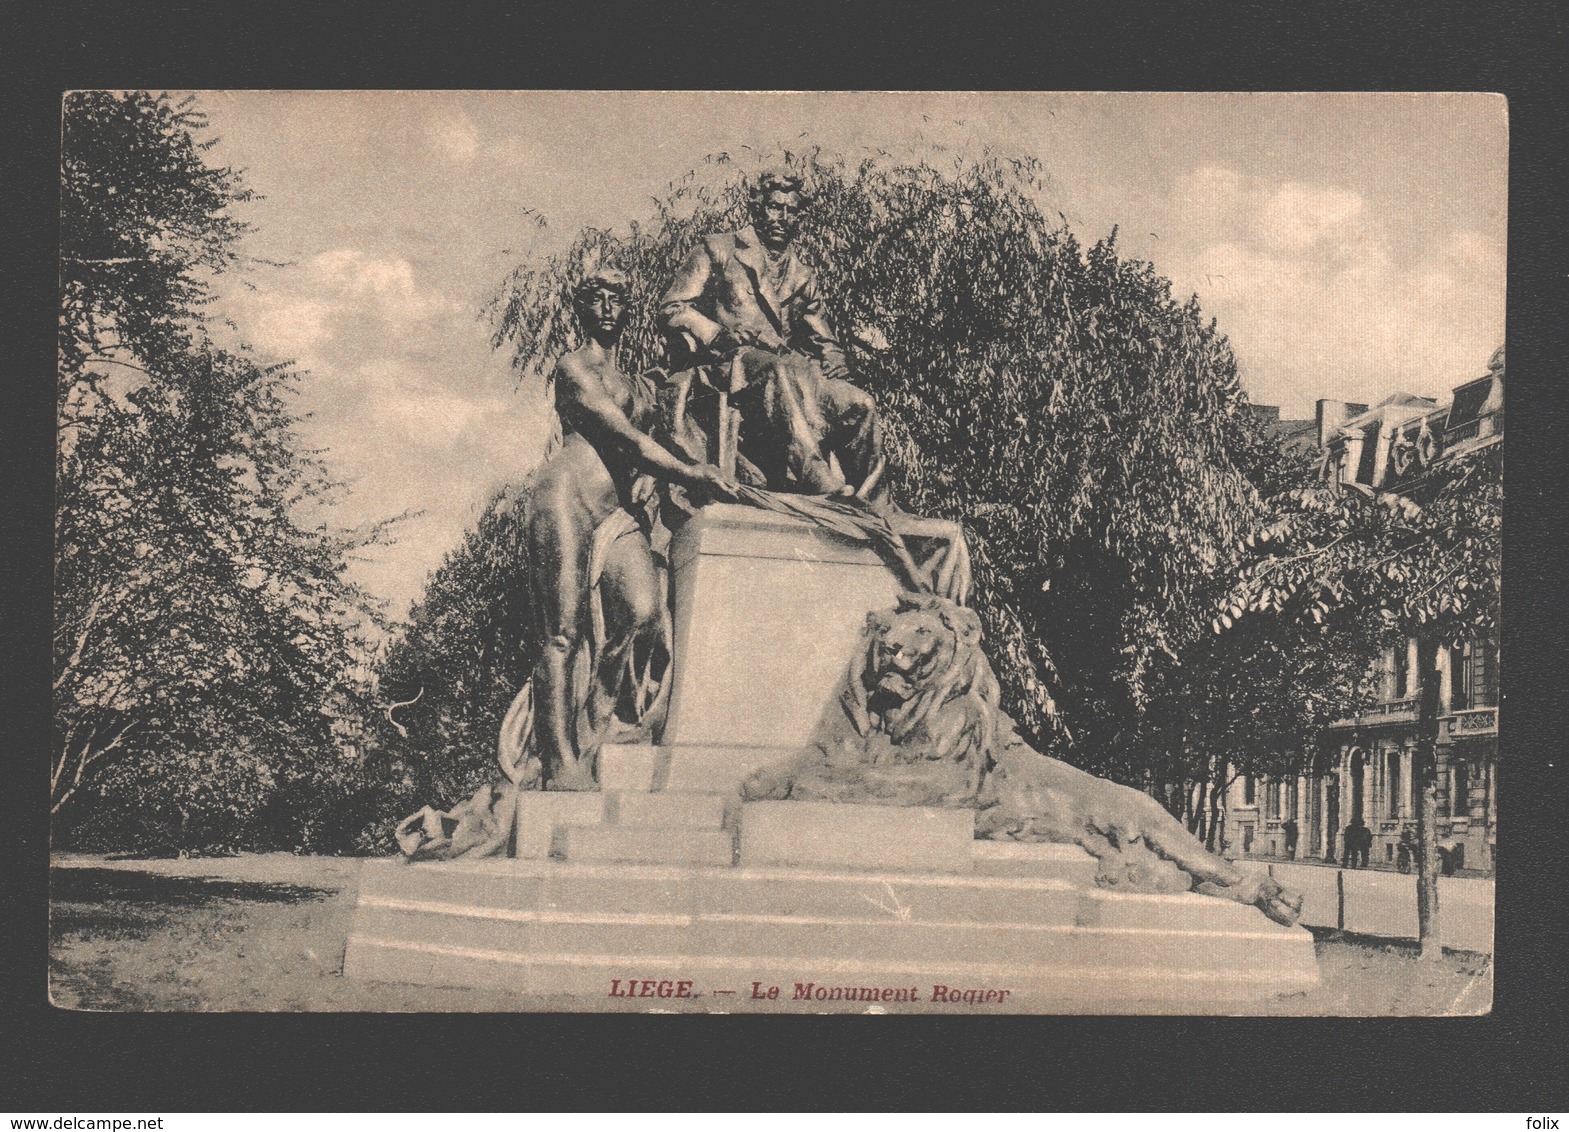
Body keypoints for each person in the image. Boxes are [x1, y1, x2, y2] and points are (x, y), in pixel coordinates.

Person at [524, 270, 737, 790]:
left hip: (616, 512)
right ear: (580, 310)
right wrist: (689, 474)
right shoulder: (572, 368)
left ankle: (594, 727)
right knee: (561, 634)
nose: (608, 307)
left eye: (617, 298)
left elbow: (677, 407)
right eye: (595, 298)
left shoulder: (639, 383)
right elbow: (625, 440)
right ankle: (559, 763)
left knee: (644, 613)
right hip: (566, 499)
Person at [658, 169, 887, 503]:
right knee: (774, 369)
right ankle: (815, 475)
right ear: (756, 209)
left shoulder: (802, 275)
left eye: (791, 210)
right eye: (774, 207)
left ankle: (879, 505)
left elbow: (823, 336)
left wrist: (836, 359)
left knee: (860, 404)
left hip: (791, 375)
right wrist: (722, 335)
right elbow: (672, 307)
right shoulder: (718, 249)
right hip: (728, 368)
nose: (782, 217)